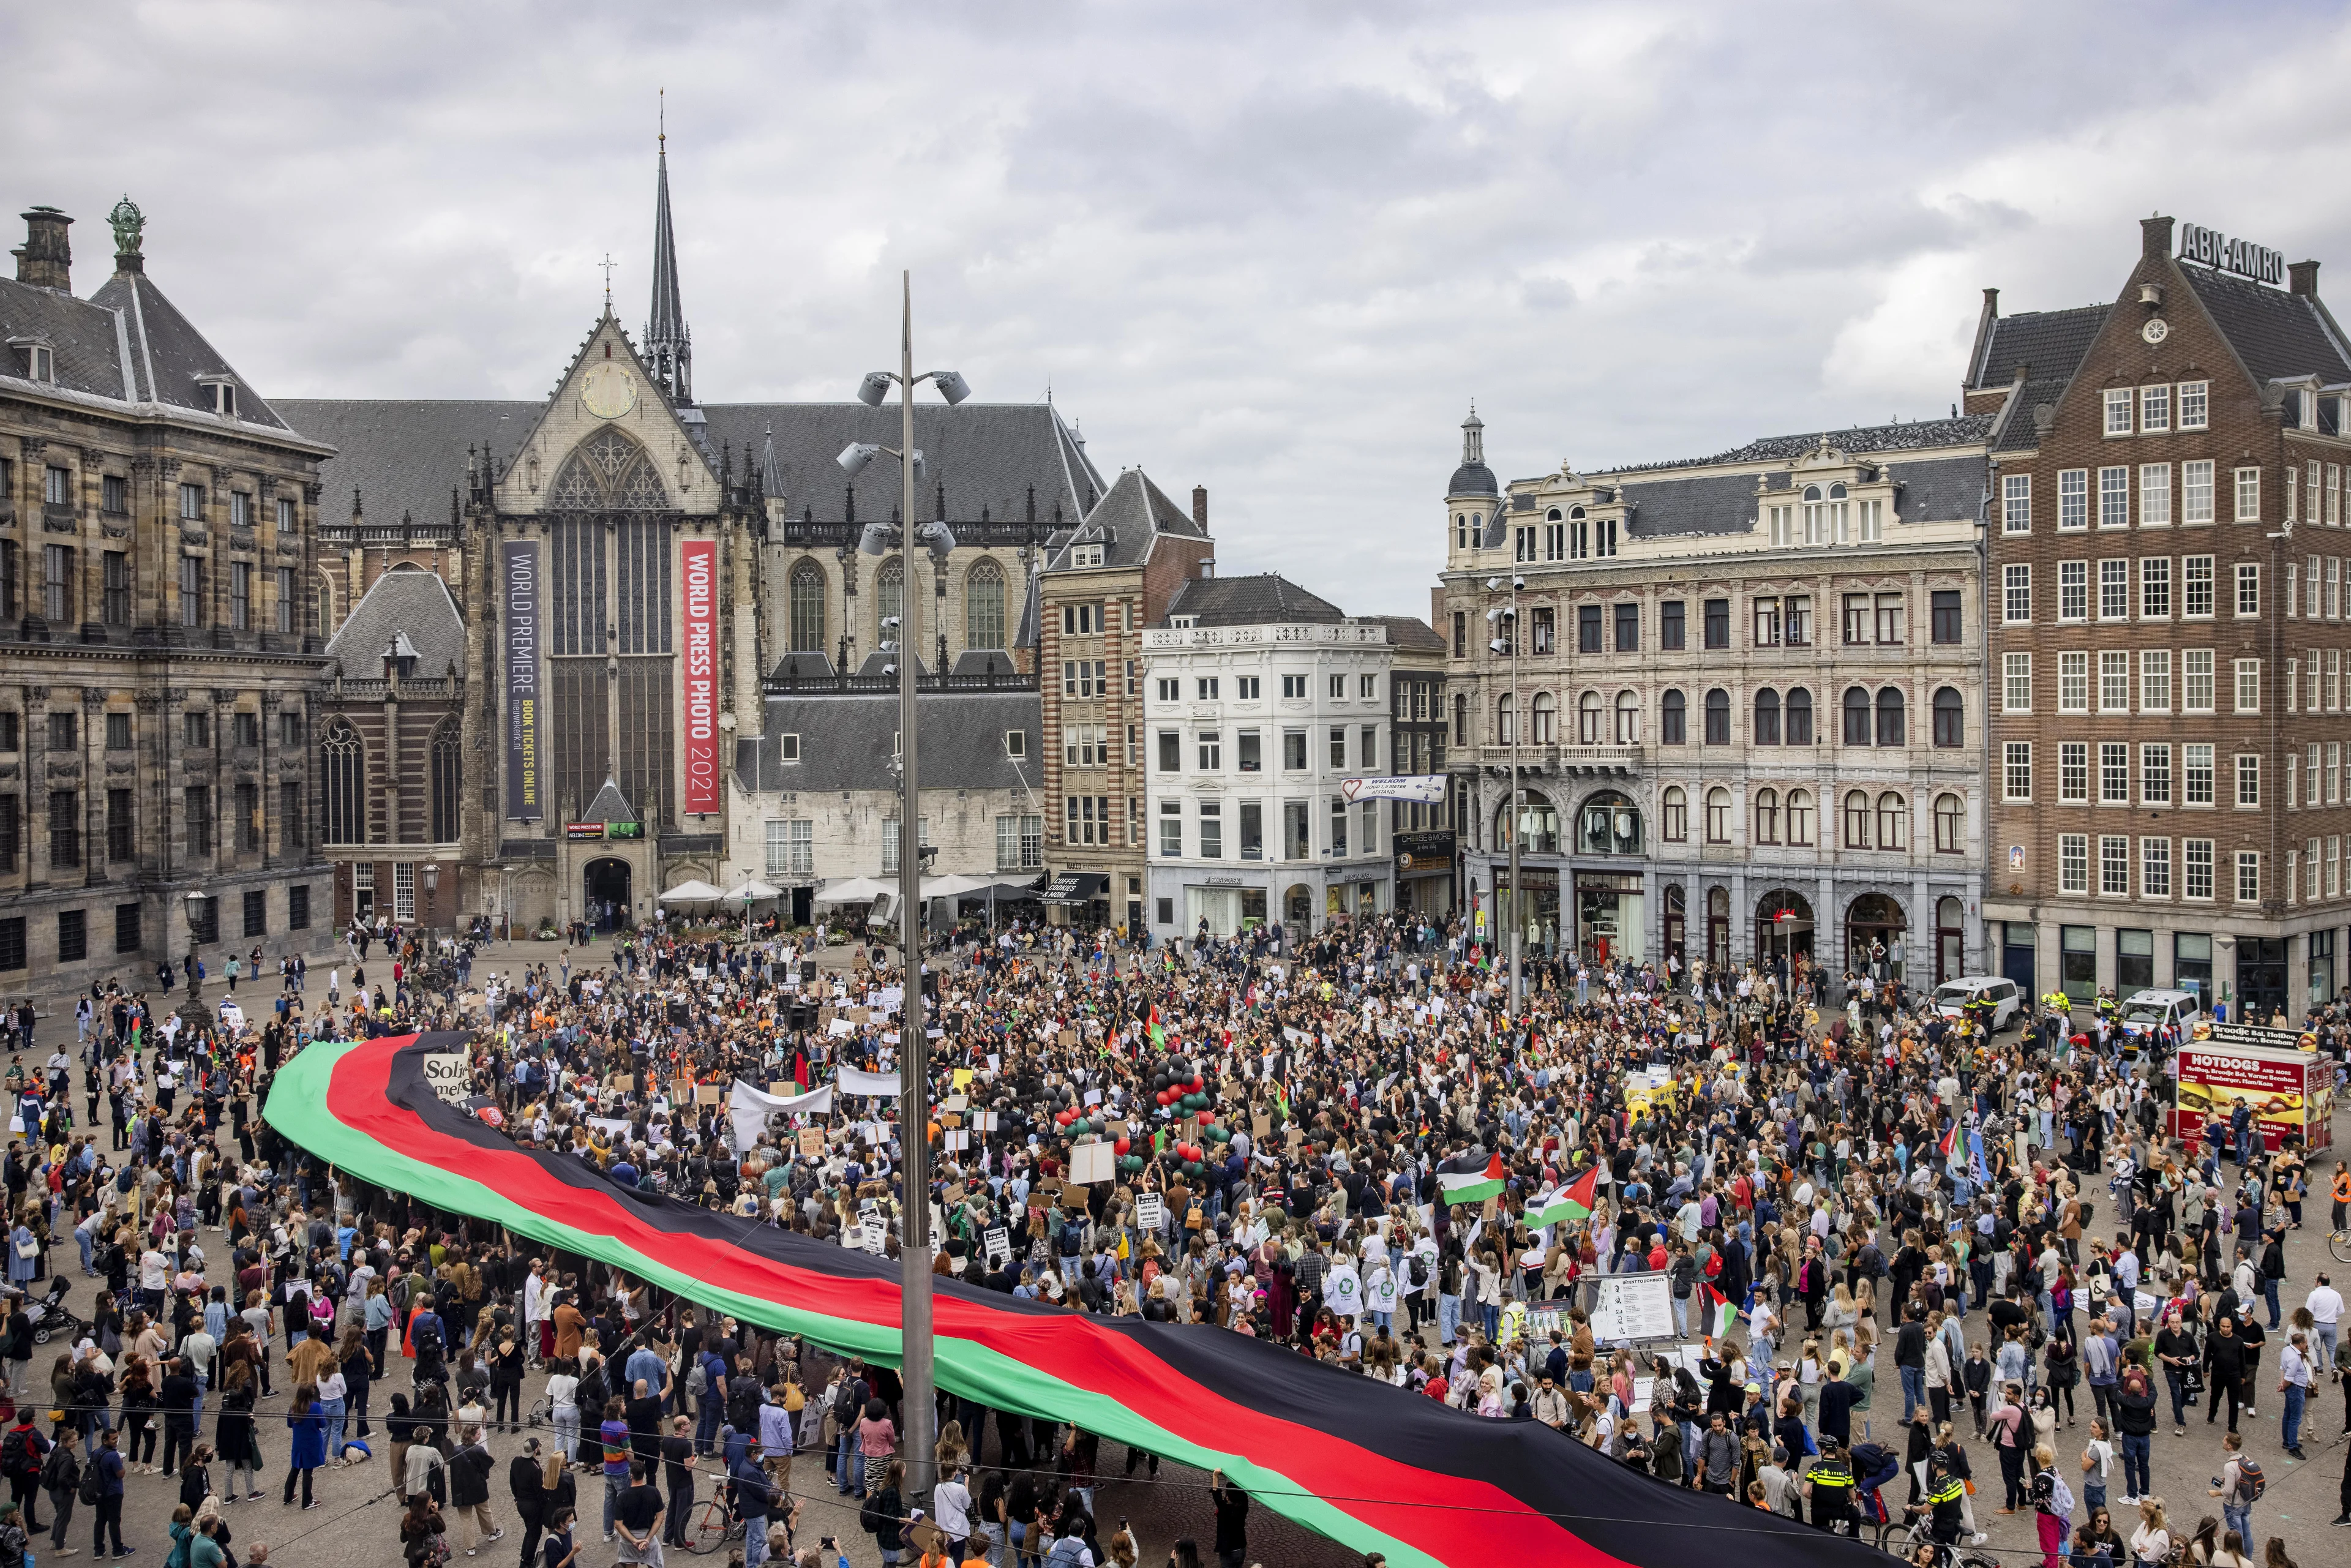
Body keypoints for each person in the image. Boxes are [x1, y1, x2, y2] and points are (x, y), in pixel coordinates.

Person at [450, 1424, 503, 1557]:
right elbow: (488, 1463)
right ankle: (492, 1532)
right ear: (472, 1436)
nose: (480, 1435)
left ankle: (470, 1547)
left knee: (466, 1519)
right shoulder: (479, 1450)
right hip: (478, 1487)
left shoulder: (456, 1451)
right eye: (478, 1434)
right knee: (485, 1511)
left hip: (461, 1491)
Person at [282, 1381, 324, 1510]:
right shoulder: (315, 1407)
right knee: (307, 1471)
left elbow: (289, 1424)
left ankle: (288, 1497)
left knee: (295, 1469)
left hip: (298, 1443)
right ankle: (307, 1501)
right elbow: (322, 1424)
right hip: (312, 1443)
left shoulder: (293, 1406)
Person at [89, 1427, 127, 1560]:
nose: (116, 1441)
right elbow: (120, 1474)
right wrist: (121, 1462)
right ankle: (118, 1550)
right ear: (105, 1441)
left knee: (100, 1520)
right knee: (114, 1521)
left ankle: (98, 1550)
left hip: (99, 1492)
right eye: (113, 1439)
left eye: (117, 1438)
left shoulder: (96, 1453)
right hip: (113, 1493)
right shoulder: (113, 1456)